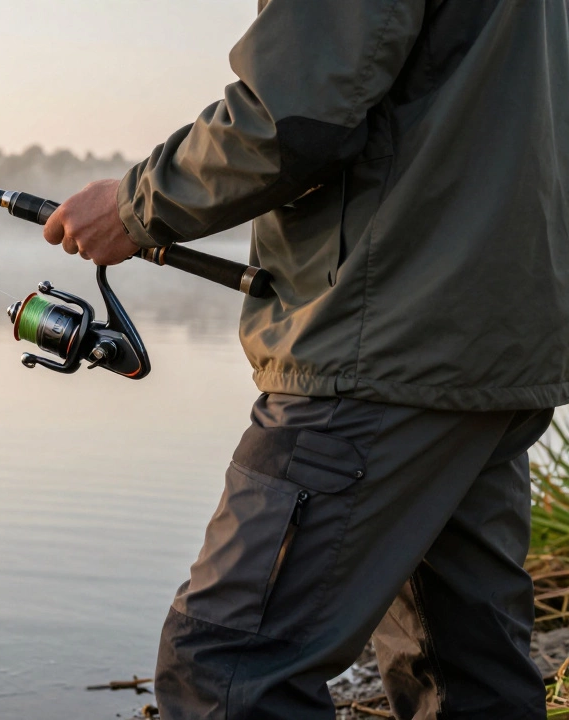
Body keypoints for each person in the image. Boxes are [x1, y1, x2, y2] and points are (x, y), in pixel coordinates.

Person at [43, 1, 569, 717]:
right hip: (491, 338)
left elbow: (288, 118)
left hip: (385, 342)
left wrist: (135, 205)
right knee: (468, 674)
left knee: (226, 667)